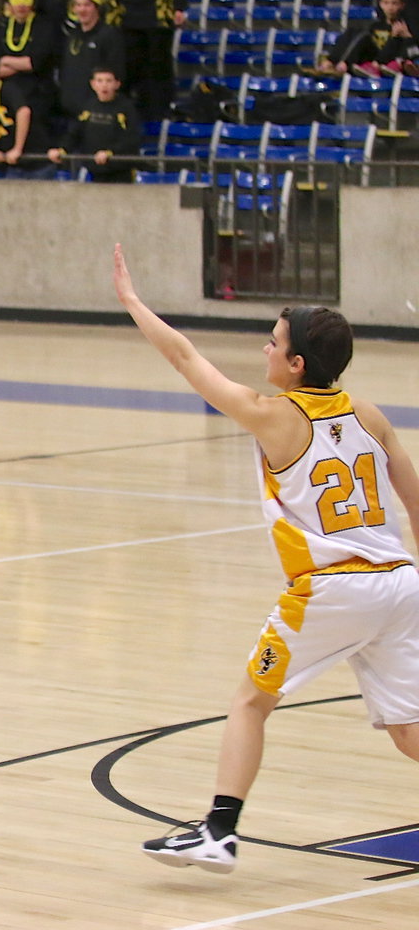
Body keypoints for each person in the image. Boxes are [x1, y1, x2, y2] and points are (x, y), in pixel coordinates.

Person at [112, 245, 419, 876]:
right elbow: (416, 503)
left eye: (273, 343)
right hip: (400, 585)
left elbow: (184, 357)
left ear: (297, 362)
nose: (264, 351)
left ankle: (217, 833)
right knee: (410, 733)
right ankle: (215, 831)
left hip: (331, 593)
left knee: (251, 701)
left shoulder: (271, 416)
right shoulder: (371, 415)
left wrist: (133, 303)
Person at [104, 0, 186, 120]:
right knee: (128, 63)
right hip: (127, 12)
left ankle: (158, 111)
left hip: (158, 14)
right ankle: (128, 111)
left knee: (158, 65)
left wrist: (179, 6)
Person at [0, 0, 58, 139]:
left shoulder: (44, 26)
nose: (20, 5)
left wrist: (5, 61)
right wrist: (15, 65)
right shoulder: (3, 26)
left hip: (37, 96)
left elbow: (33, 63)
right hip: (6, 96)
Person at [46, 66, 140, 181]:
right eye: (99, 81)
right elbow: (75, 132)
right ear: (93, 84)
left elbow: (132, 138)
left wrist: (110, 153)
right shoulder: (87, 106)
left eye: (109, 81)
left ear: (117, 84)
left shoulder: (127, 108)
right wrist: (61, 149)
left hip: (120, 172)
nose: (104, 85)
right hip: (93, 170)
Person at [57, 0, 125, 120]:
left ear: (97, 8)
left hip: (96, 111)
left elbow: (116, 71)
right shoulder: (72, 35)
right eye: (78, 5)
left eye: (87, 5)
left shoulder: (109, 35)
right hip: (70, 109)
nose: (82, 10)